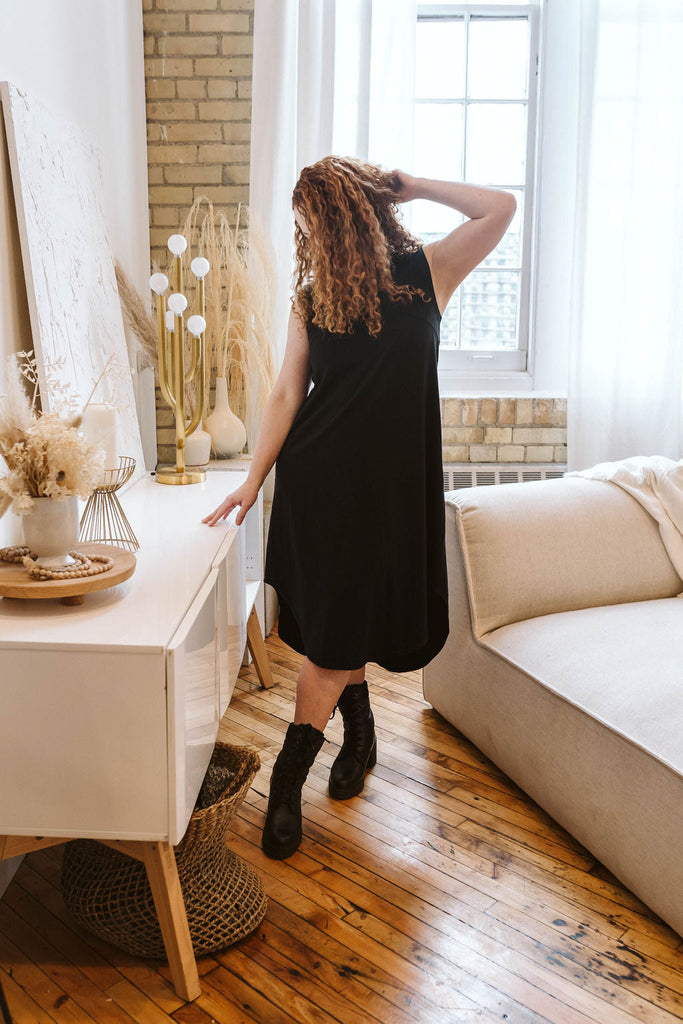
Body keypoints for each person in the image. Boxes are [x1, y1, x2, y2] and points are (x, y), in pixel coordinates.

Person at [203, 156, 515, 859]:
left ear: (346, 211)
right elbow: (287, 394)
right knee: (338, 627)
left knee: (358, 614)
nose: (305, 232)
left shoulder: (428, 273)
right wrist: (253, 482)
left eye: (311, 217)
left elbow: (499, 207)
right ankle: (288, 784)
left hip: (393, 488)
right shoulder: (313, 298)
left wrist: (418, 185)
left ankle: (361, 731)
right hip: (321, 483)